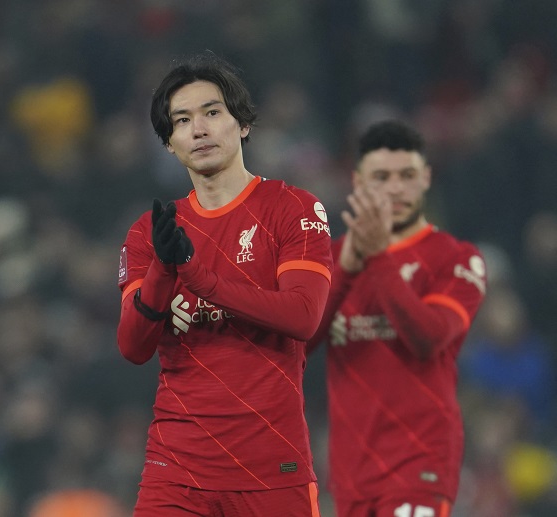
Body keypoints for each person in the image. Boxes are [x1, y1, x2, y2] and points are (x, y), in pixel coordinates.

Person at [116, 52, 332, 516]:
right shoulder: (149, 233)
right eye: (182, 120)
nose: (199, 129)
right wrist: (163, 268)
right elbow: (133, 346)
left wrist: (196, 276)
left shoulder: (292, 208)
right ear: (170, 144)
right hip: (176, 471)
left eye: (213, 112)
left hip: (272, 472)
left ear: (243, 125)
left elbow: (304, 315)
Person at [308, 120, 487, 517]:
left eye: (407, 175)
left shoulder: (456, 258)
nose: (395, 188)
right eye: (381, 177)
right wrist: (350, 268)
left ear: (426, 178)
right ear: (357, 181)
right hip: (351, 471)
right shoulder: (331, 261)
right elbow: (297, 344)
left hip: (420, 463)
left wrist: (375, 258)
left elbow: (429, 336)